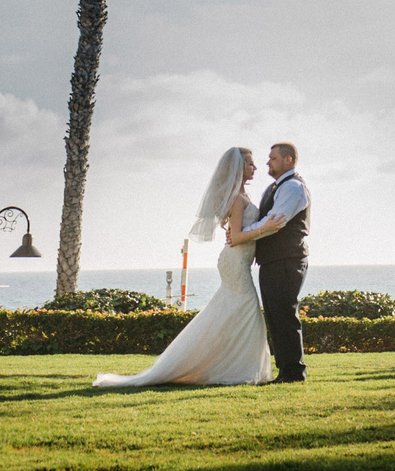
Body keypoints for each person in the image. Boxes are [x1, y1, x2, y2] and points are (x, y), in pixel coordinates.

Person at [89, 146, 278, 389]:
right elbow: (238, 236)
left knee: (234, 312)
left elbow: (236, 233)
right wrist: (266, 227)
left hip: (236, 260)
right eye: (250, 163)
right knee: (248, 311)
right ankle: (240, 369)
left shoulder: (241, 197)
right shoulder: (238, 199)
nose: (255, 167)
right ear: (238, 168)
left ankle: (232, 366)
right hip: (235, 262)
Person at [251, 142, 311, 383]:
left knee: (285, 314)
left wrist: (243, 233)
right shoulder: (274, 187)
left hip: (287, 259)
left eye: (273, 158)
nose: (268, 162)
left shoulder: (294, 187)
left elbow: (274, 222)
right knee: (275, 316)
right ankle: (285, 370)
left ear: (288, 160)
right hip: (272, 260)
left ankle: (294, 372)